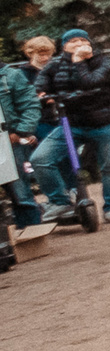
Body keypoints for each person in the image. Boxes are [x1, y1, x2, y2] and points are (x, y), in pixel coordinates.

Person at [33, 28, 110, 223]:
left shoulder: (106, 62)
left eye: (82, 40)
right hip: (72, 124)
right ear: (64, 46)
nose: (78, 44)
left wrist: (78, 62)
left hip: (107, 122)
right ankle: (60, 202)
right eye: (73, 41)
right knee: (40, 159)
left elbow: (92, 83)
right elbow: (39, 89)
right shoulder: (54, 66)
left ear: (90, 43)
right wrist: (42, 96)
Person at [3, 34, 53, 253]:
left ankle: (33, 241)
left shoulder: (10, 76)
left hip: (10, 143)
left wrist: (21, 132)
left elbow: (30, 106)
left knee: (20, 192)